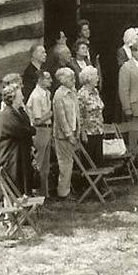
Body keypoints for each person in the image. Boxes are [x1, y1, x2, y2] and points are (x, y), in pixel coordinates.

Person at [0, 81, 35, 195]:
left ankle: (25, 204)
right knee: (14, 183)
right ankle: (14, 208)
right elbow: (20, 131)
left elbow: (27, 128)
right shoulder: (7, 114)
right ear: (12, 98)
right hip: (11, 156)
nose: (23, 97)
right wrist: (31, 130)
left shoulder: (20, 112)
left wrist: (30, 131)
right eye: (20, 95)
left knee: (24, 181)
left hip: (22, 154)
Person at [26, 70, 55, 197]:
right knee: (39, 162)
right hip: (40, 130)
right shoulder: (37, 96)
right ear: (40, 80)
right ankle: (35, 192)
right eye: (47, 79)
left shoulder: (46, 93)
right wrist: (50, 113)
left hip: (47, 129)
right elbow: (37, 120)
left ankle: (44, 192)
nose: (51, 81)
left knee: (45, 164)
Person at [51, 67, 79, 198]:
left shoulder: (73, 92)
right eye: (70, 78)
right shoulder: (59, 95)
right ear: (62, 80)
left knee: (70, 162)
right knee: (65, 164)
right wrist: (69, 135)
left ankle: (67, 188)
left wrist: (78, 131)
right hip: (63, 136)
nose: (73, 80)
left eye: (74, 77)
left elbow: (76, 113)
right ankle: (63, 192)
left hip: (74, 131)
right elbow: (61, 119)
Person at [77, 66, 106, 167]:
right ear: (89, 78)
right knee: (89, 161)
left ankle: (99, 182)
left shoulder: (96, 92)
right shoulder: (81, 94)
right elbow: (80, 115)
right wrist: (83, 132)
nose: (98, 78)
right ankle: (88, 182)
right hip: (88, 132)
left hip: (98, 129)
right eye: (95, 76)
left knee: (99, 160)